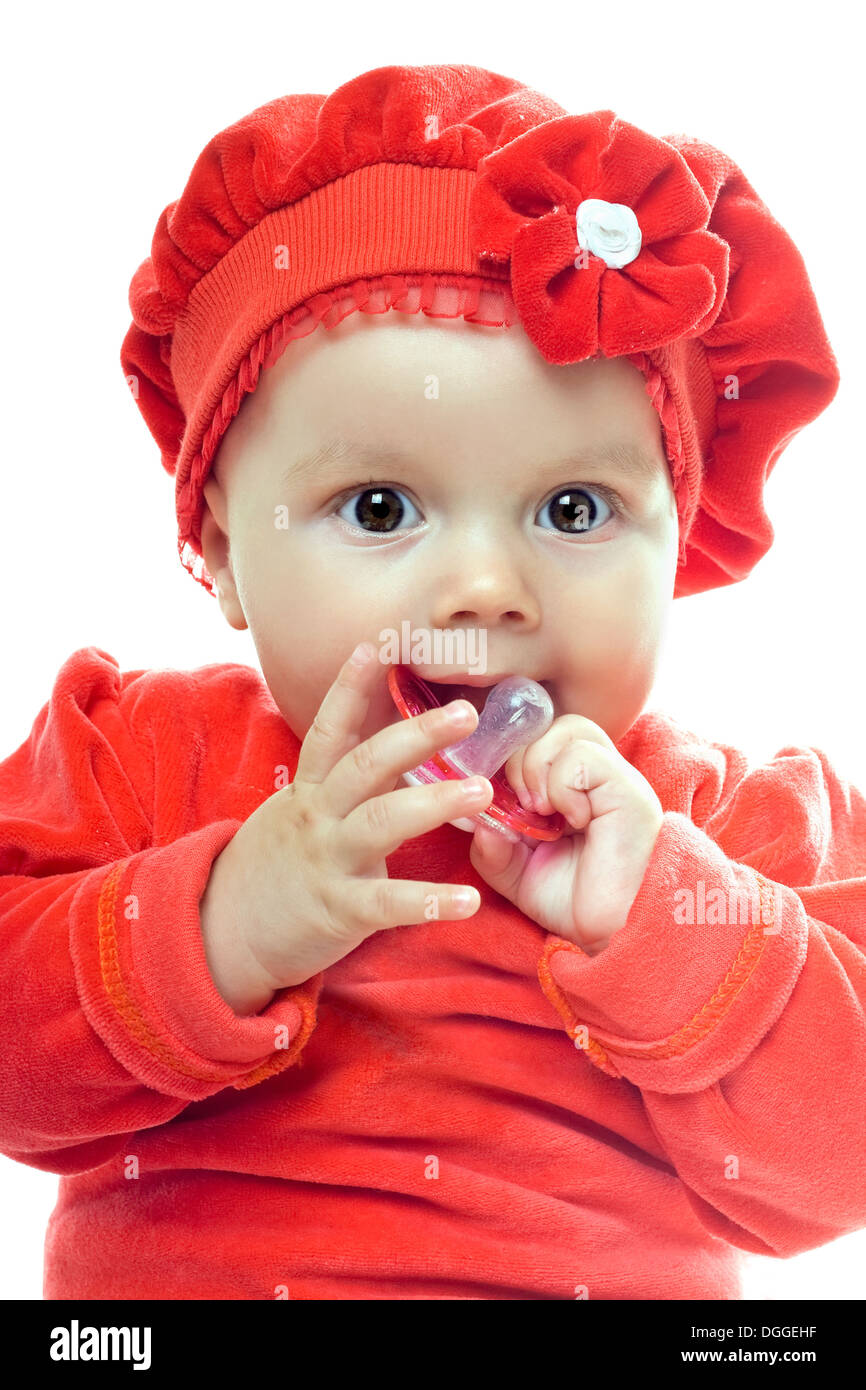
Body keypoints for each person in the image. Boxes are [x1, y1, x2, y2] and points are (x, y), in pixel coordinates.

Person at [1, 62, 863, 1301]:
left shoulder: (730, 830)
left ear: (675, 542)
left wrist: (661, 921)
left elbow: (840, 1171)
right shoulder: (139, 757)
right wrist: (216, 929)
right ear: (226, 554)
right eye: (380, 505)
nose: (480, 589)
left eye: (573, 508)